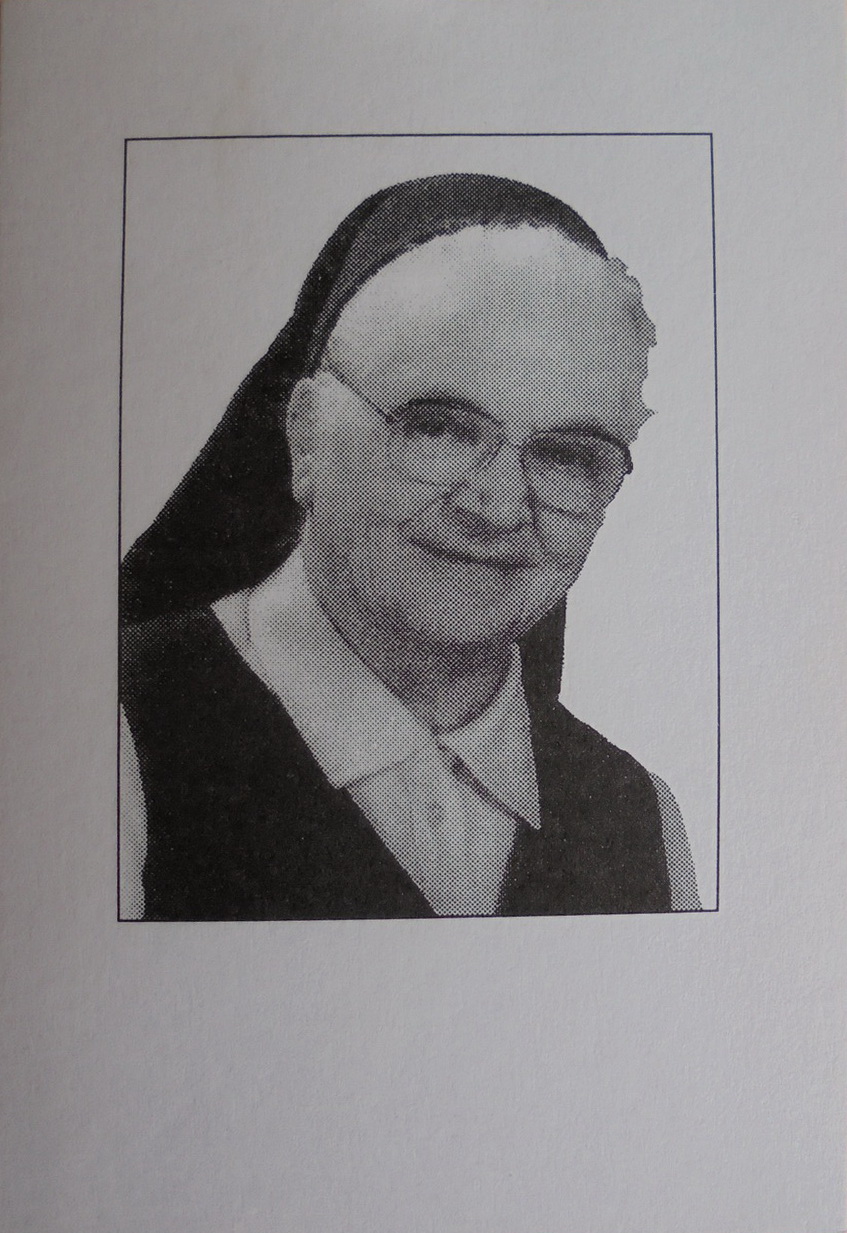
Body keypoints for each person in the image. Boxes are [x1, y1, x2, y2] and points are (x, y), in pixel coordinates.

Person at [119, 171, 701, 920]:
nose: (497, 507)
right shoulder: (117, 740)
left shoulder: (641, 822)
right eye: (438, 428)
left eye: (566, 454)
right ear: (305, 437)